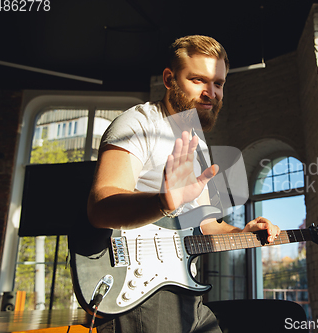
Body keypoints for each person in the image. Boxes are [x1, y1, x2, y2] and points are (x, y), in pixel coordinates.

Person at [87, 35, 281, 333]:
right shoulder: (138, 124)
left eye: (219, 83)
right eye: (198, 80)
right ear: (169, 79)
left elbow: (203, 225)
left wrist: (243, 233)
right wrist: (163, 202)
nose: (211, 93)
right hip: (138, 289)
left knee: (283, 317)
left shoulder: (197, 143)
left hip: (186, 292)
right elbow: (100, 206)